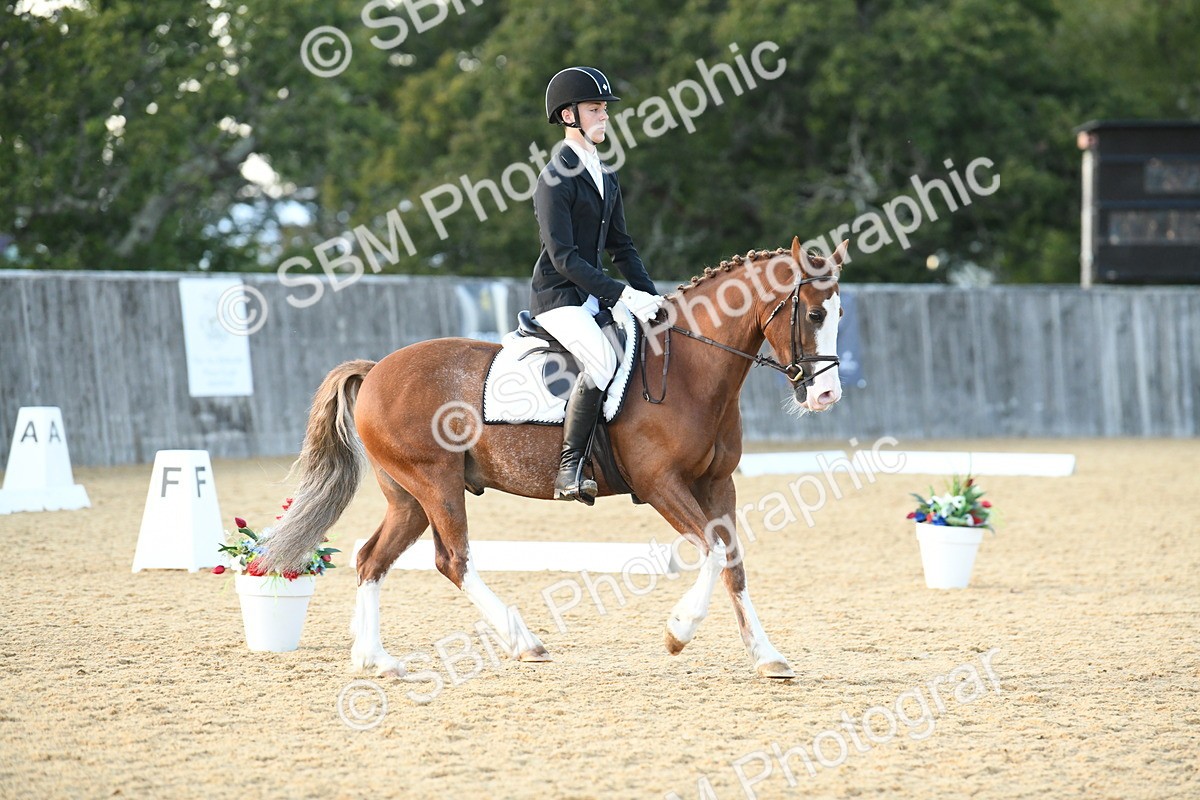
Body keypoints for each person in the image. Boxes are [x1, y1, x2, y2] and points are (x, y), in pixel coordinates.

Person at [531, 66, 665, 503]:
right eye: (595, 109)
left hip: (595, 295)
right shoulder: (555, 178)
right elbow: (563, 257)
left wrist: (652, 297)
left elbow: (622, 246)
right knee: (605, 362)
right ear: (569, 116)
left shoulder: (606, 174)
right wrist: (623, 295)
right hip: (560, 297)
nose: (603, 117)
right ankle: (569, 469)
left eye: (604, 109)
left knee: (651, 346)